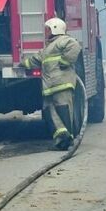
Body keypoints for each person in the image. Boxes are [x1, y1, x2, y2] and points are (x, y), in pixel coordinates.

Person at [21, 17, 81, 150]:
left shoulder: (64, 40)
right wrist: (22, 64)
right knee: (50, 112)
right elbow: (35, 60)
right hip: (49, 88)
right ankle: (62, 138)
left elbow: (75, 47)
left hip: (62, 85)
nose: (46, 32)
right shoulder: (48, 48)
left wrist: (65, 62)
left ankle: (68, 140)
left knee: (64, 111)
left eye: (47, 29)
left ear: (55, 28)